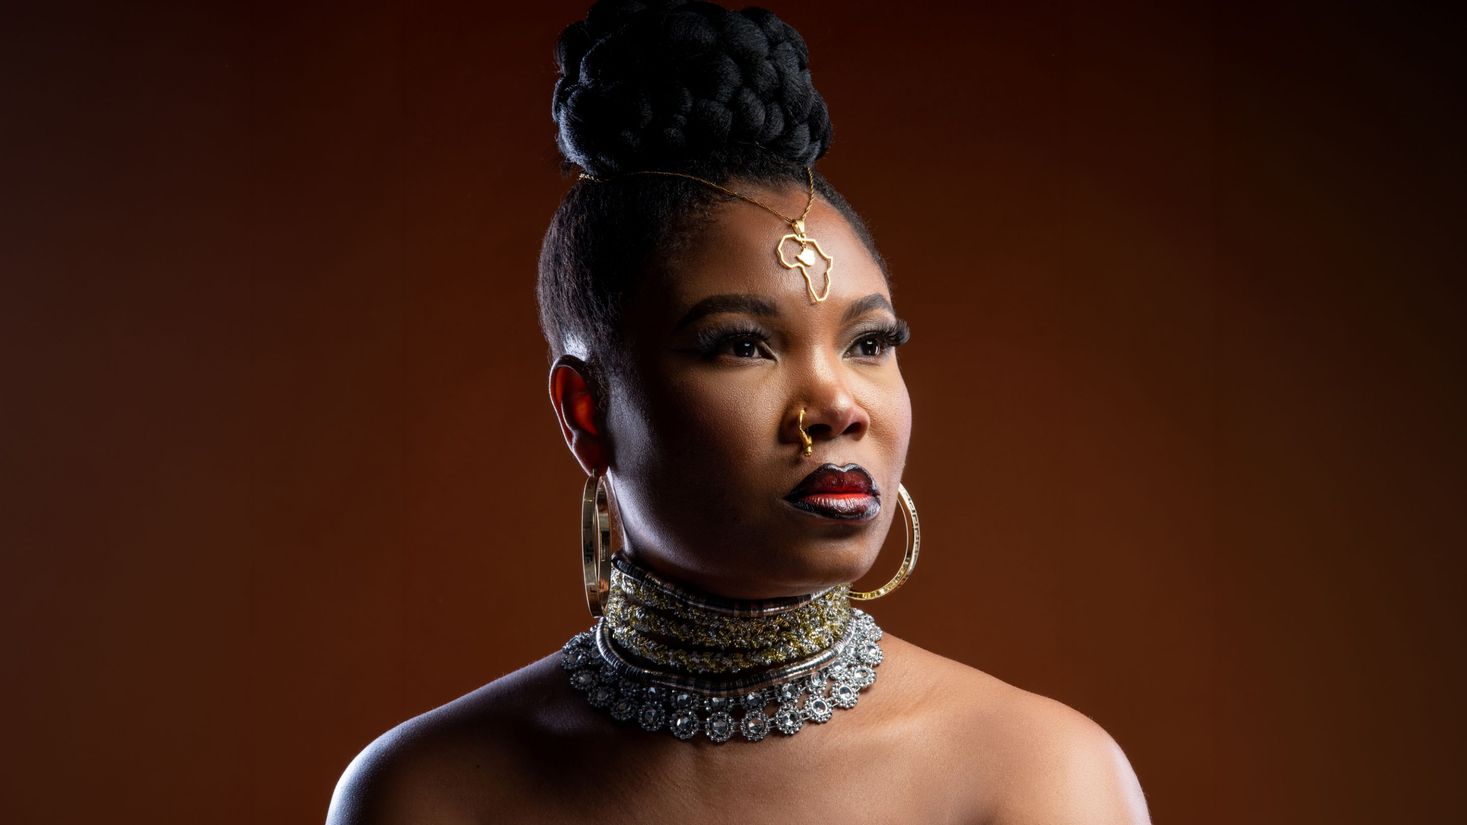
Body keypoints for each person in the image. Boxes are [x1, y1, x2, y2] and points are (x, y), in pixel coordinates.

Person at [328, 1, 1150, 822]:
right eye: (743, 345)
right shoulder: (425, 793)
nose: (838, 404)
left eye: (868, 342)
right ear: (586, 411)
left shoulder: (1035, 774)